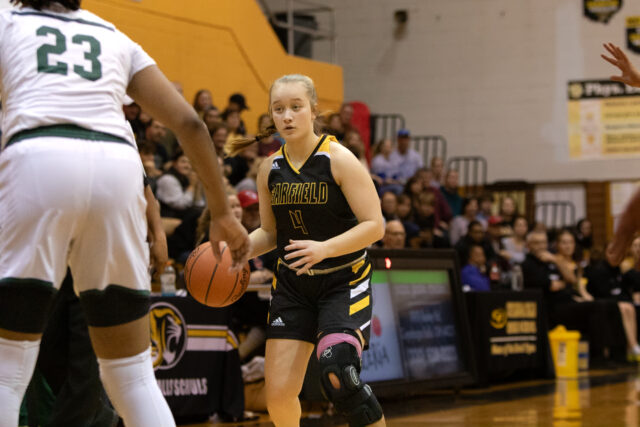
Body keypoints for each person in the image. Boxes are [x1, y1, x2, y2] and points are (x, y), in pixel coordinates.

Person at [0, 2, 250, 427]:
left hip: (39, 154)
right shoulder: (109, 31)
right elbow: (189, 122)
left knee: (6, 371)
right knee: (131, 375)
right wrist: (222, 212)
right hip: (119, 168)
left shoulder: (6, 15)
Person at [225, 74, 386, 426]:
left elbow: (375, 225)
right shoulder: (269, 168)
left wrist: (324, 249)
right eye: (279, 109)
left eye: (296, 107)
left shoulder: (338, 159)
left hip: (343, 282)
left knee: (338, 375)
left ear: (313, 111)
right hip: (293, 288)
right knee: (279, 395)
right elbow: (270, 233)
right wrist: (236, 251)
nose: (287, 116)